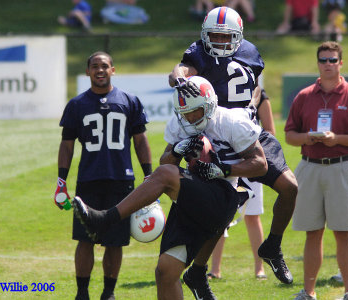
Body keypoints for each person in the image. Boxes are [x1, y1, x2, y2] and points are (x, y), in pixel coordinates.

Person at [72, 76, 269, 300]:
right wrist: (176, 150)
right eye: (185, 113)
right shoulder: (180, 123)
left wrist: (222, 170)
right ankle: (104, 221)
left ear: (210, 103)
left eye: (196, 111)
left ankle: (105, 219)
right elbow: (166, 161)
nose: (191, 118)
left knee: (165, 175)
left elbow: (261, 165)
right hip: (192, 198)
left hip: (223, 197)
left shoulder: (230, 121)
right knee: (165, 272)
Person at [168, 6, 298, 294]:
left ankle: (272, 246)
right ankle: (198, 272)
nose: (220, 41)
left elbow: (253, 89)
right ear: (204, 34)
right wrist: (179, 79)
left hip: (248, 131)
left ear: (239, 36)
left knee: (290, 187)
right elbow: (182, 69)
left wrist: (252, 109)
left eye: (227, 37)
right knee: (223, 212)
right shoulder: (199, 53)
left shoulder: (250, 52)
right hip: (217, 134)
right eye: (214, 35)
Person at [54, 51, 152, 300]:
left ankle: (108, 293)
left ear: (113, 70)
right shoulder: (77, 105)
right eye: (95, 66)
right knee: (84, 239)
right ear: (87, 71)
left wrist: (149, 176)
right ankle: (82, 292)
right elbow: (66, 145)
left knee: (115, 241)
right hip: (89, 180)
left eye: (104, 66)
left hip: (121, 180)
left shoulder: (129, 101)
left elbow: (140, 141)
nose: (100, 70)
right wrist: (61, 181)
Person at [285, 41, 348, 300]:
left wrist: (338, 139)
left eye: (333, 60)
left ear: (341, 63)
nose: (328, 64)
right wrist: (307, 137)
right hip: (310, 166)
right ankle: (308, 291)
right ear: (317, 62)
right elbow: (289, 135)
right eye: (323, 60)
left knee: (344, 232)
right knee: (313, 232)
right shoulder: (304, 96)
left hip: (343, 166)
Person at [207, 88, 275, 280]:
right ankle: (215, 269)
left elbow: (269, 131)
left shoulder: (260, 95)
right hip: (225, 164)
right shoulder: (220, 96)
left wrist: (250, 148)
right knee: (220, 219)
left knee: (252, 216)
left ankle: (259, 267)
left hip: (251, 163)